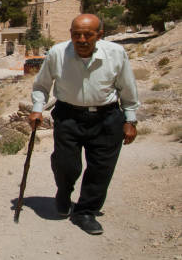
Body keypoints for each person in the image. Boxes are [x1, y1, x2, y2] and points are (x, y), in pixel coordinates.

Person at [29, 14, 139, 235]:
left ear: (99, 35)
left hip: (106, 117)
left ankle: (85, 211)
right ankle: (64, 191)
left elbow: (127, 88)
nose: (81, 39)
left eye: (87, 35)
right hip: (69, 115)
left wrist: (130, 119)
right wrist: (37, 109)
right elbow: (41, 85)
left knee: (101, 169)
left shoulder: (116, 54)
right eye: (76, 34)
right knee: (66, 164)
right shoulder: (57, 54)